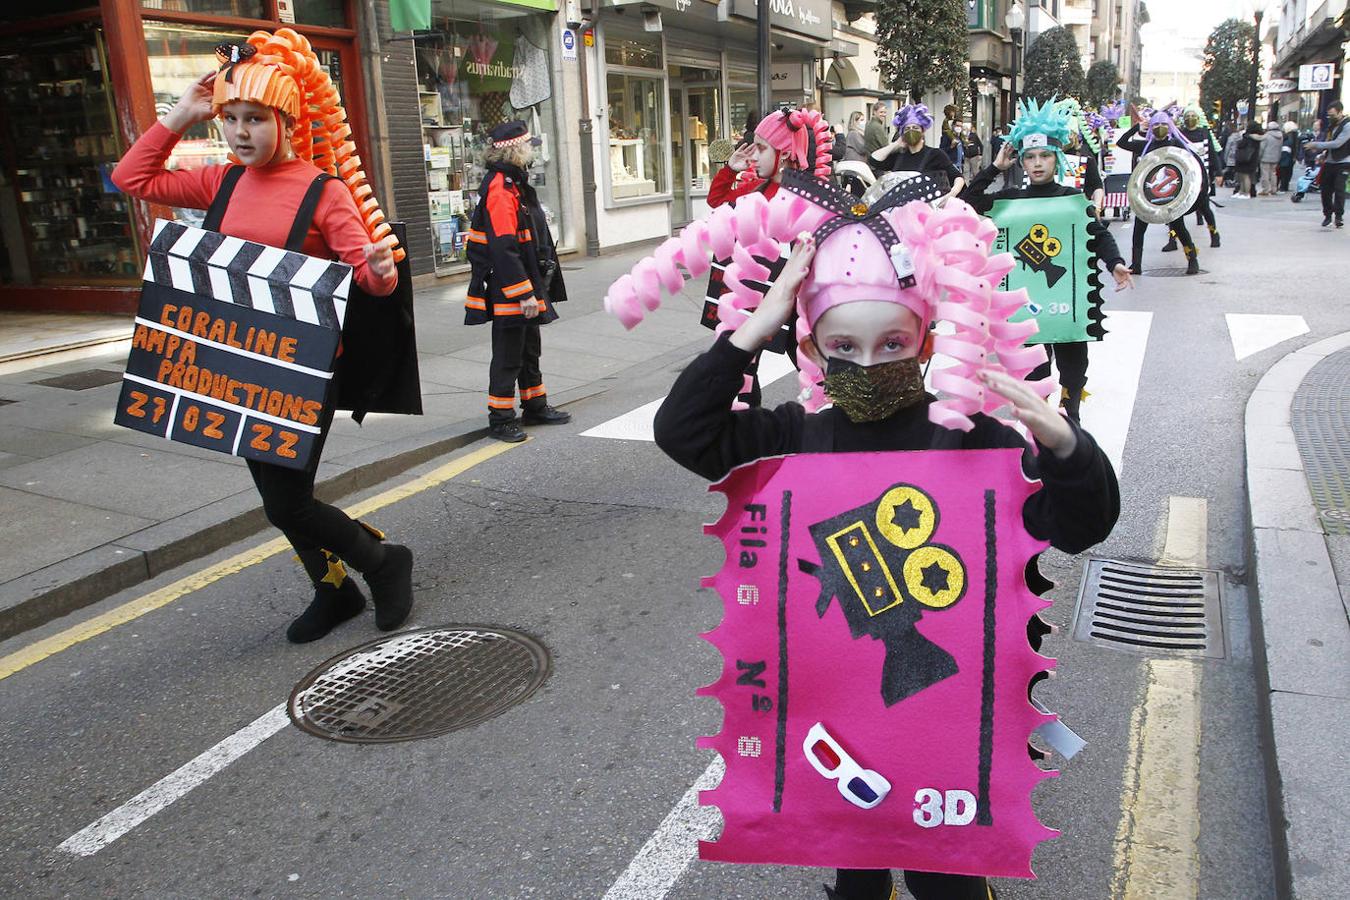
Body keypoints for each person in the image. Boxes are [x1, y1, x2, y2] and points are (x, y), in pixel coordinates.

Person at [631, 187, 1119, 900]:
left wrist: (1065, 444)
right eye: (843, 347)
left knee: (946, 884)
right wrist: (753, 327)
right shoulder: (791, 438)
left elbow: (1083, 525)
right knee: (857, 880)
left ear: (924, 341)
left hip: (946, 738)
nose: (869, 362)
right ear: (811, 348)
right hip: (841, 730)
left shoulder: (972, 440)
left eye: (892, 343)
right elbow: (684, 431)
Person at [111, 32, 415, 644]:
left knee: (286, 504)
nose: (240, 132)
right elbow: (131, 178)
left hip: (303, 371)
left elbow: (368, 274)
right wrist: (180, 115)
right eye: (231, 119)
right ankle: (333, 590)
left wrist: (380, 273)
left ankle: (383, 562)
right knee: (277, 494)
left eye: (256, 119)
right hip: (236, 366)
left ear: (286, 121)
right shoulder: (219, 183)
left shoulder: (322, 192)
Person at [962, 97, 1133, 421]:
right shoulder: (1009, 201)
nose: (1037, 163)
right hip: (1028, 314)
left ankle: (1072, 423)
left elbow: (1098, 235)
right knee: (1035, 384)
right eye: (1030, 157)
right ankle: (1041, 439)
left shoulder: (1072, 199)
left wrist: (1115, 264)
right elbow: (970, 203)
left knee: (1073, 374)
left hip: (1066, 311)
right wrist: (995, 168)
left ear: (1056, 159)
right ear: (1022, 163)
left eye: (1044, 156)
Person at [702, 108, 834, 406]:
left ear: (785, 153)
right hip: (751, 296)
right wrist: (730, 170)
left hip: (794, 300)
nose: (754, 156)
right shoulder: (756, 186)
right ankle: (746, 426)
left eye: (761, 148)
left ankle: (833, 425)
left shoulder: (811, 193)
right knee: (741, 367)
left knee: (812, 364)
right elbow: (719, 202)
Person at [465, 120, 571, 442]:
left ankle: (534, 405)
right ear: (515, 149)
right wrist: (523, 294)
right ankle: (500, 418)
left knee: (528, 350)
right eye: (528, 146)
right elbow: (502, 246)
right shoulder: (500, 187)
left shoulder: (512, 183)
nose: (532, 152)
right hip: (511, 286)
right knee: (509, 354)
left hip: (525, 281)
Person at [1116, 108, 1203, 274]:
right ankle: (1136, 264)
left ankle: (1193, 260)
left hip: (1172, 196)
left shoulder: (1177, 145)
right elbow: (1121, 143)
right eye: (1156, 124)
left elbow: (1192, 165)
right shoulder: (1145, 145)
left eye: (1164, 124)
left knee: (1180, 229)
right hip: (1149, 197)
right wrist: (1137, 127)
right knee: (1138, 231)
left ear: (1170, 126)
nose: (1160, 127)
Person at [870, 104, 966, 204]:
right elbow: (874, 160)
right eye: (907, 129)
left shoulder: (935, 155)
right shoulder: (898, 156)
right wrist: (896, 144)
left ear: (923, 130)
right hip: (901, 211)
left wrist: (951, 194)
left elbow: (958, 177)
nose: (911, 130)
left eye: (915, 127)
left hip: (927, 212)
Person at [1173, 104, 1222, 248]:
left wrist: (1218, 173)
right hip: (1184, 177)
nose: (1190, 119)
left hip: (1202, 177)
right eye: (1187, 116)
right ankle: (1172, 239)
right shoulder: (1179, 135)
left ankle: (1214, 234)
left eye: (1193, 116)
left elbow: (1212, 154)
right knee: (1174, 213)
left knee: (1205, 208)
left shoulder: (1205, 133)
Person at [1302, 99, 1350, 227]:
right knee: (1325, 190)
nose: (1330, 117)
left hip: (1343, 162)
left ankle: (1338, 216)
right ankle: (1328, 215)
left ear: (1340, 112)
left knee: (1339, 189)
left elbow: (1338, 143)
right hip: (1330, 161)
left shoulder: (1347, 125)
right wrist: (1323, 153)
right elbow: (1329, 142)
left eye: (1333, 115)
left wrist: (1316, 144)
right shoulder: (1332, 126)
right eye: (1329, 115)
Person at [1235, 122, 1263, 199]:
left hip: (1245, 157)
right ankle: (1244, 192)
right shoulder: (1259, 137)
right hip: (1253, 158)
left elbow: (1241, 145)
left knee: (1244, 176)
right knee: (1248, 176)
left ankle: (1245, 193)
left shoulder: (1247, 137)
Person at [1260, 121, 1283, 195]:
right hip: (1275, 157)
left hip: (1265, 158)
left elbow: (1262, 148)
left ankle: (1265, 189)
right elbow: (1280, 148)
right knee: (1273, 174)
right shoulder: (1280, 136)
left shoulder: (1266, 136)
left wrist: (1259, 156)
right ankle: (1274, 189)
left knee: (1265, 174)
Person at [1278, 121, 1299, 193]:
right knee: (1288, 172)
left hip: (1286, 155)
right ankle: (1285, 186)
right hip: (1291, 156)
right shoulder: (1295, 135)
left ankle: (1283, 186)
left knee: (1283, 172)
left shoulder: (1287, 136)